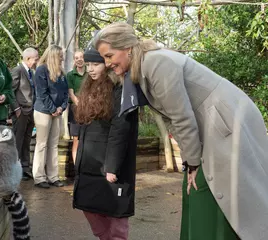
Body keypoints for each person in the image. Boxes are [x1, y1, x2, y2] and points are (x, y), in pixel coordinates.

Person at [95, 22, 268, 240]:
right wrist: (190, 160)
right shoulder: (142, 67)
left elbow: (181, 116)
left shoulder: (157, 63)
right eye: (104, 58)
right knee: (195, 186)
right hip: (212, 121)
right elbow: (171, 118)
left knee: (211, 187)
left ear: (127, 47)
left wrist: (193, 162)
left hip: (226, 120)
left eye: (109, 56)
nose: (107, 63)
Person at [73, 47, 138, 240]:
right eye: (88, 65)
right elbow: (82, 124)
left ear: (106, 64)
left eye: (96, 64)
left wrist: (112, 166)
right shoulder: (87, 86)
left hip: (111, 163)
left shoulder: (120, 88)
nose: (91, 69)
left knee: (116, 213)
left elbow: (120, 129)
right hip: (89, 161)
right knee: (89, 206)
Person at [32, 45, 68, 188]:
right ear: (54, 55)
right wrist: (52, 109)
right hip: (43, 111)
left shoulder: (62, 73)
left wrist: (61, 108)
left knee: (54, 144)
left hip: (57, 112)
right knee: (42, 144)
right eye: (60, 55)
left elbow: (65, 94)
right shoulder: (41, 70)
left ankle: (53, 176)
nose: (62, 58)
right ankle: (39, 177)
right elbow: (42, 93)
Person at [10, 48, 39, 181]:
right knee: (18, 141)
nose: (36, 61)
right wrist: (16, 109)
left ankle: (25, 168)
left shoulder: (31, 72)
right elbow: (10, 91)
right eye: (35, 59)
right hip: (20, 112)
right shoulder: (18, 70)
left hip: (30, 111)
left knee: (27, 141)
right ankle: (15, 169)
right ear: (28, 59)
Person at [67, 49, 86, 164]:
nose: (79, 59)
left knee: (88, 138)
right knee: (76, 139)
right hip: (76, 110)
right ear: (74, 60)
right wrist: (80, 105)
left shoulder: (90, 73)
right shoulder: (70, 75)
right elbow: (71, 93)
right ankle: (76, 166)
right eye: (76, 58)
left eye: (81, 57)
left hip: (89, 110)